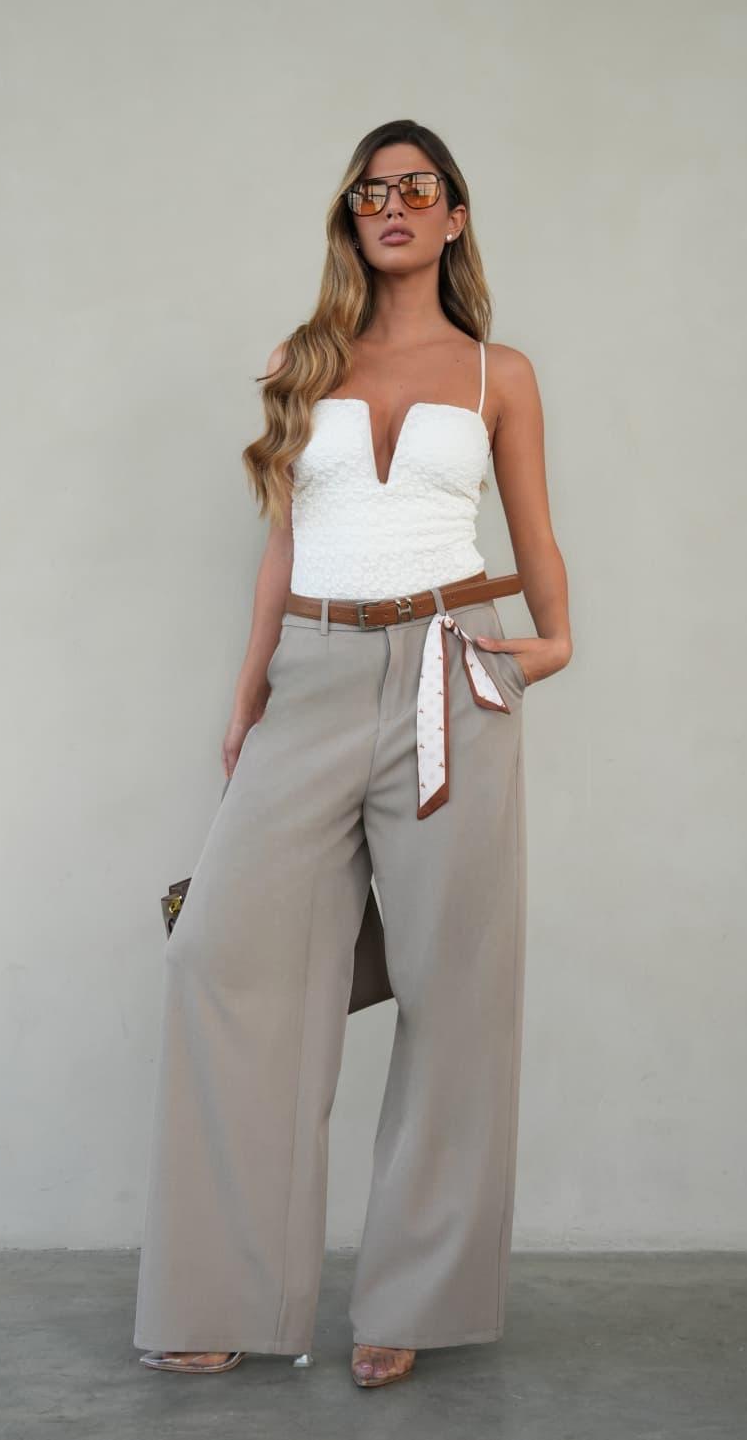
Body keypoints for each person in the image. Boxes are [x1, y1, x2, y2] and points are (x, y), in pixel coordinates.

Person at [133, 118, 572, 1389]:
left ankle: (412, 1295)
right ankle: (223, 1290)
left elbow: (540, 552)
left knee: (454, 987)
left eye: (417, 188)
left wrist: (534, 653)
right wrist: (248, 694)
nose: (394, 205)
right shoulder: (300, 360)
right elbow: (285, 541)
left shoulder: (499, 373)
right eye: (373, 191)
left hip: (449, 675)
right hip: (315, 673)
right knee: (218, 953)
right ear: (352, 215)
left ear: (453, 216)